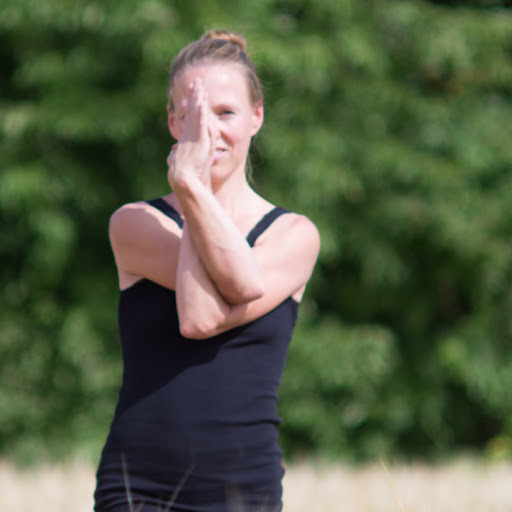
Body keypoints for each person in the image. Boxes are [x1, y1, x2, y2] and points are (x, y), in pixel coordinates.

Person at [94, 29, 320, 512]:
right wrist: (194, 190)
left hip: (243, 487)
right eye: (194, 115)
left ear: (257, 116)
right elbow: (201, 314)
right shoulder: (135, 223)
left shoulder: (294, 235)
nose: (209, 130)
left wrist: (191, 186)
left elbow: (207, 312)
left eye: (225, 113)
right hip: (138, 488)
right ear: (173, 121)